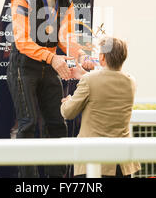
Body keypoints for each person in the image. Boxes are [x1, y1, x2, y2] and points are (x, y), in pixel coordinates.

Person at [7, 0, 94, 178]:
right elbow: (22, 41)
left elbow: (65, 37)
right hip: (23, 67)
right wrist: (52, 58)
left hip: (50, 67)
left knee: (57, 123)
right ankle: (29, 182)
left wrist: (81, 54)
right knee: (28, 124)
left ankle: (58, 178)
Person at [60, 36, 141, 177]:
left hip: (93, 160)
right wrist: (85, 75)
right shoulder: (131, 82)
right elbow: (107, 83)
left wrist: (68, 100)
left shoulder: (90, 80)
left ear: (102, 57)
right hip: (121, 163)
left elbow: (68, 113)